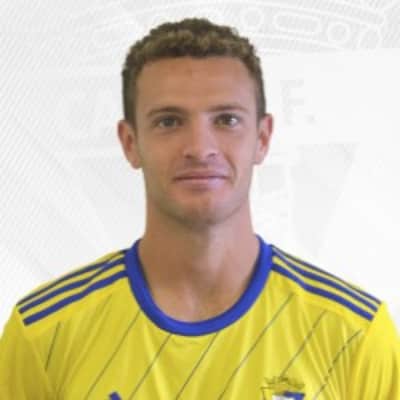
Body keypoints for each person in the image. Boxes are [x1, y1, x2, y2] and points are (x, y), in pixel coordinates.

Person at [0, 17, 399, 400]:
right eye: (169, 122)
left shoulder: (354, 335)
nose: (200, 147)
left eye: (226, 120)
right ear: (129, 142)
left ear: (262, 139)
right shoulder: (43, 334)